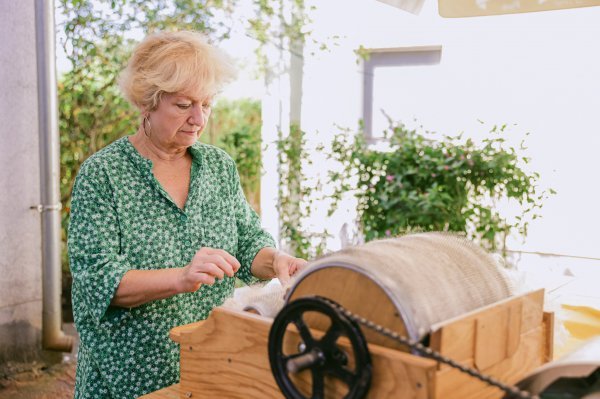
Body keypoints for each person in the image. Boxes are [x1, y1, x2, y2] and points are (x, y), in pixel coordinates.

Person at [68, 30, 307, 399]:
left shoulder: (217, 167)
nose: (199, 118)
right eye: (183, 105)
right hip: (126, 376)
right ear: (148, 103)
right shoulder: (103, 175)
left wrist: (276, 260)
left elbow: (247, 244)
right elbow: (97, 280)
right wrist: (181, 277)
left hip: (211, 362)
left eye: (207, 104)